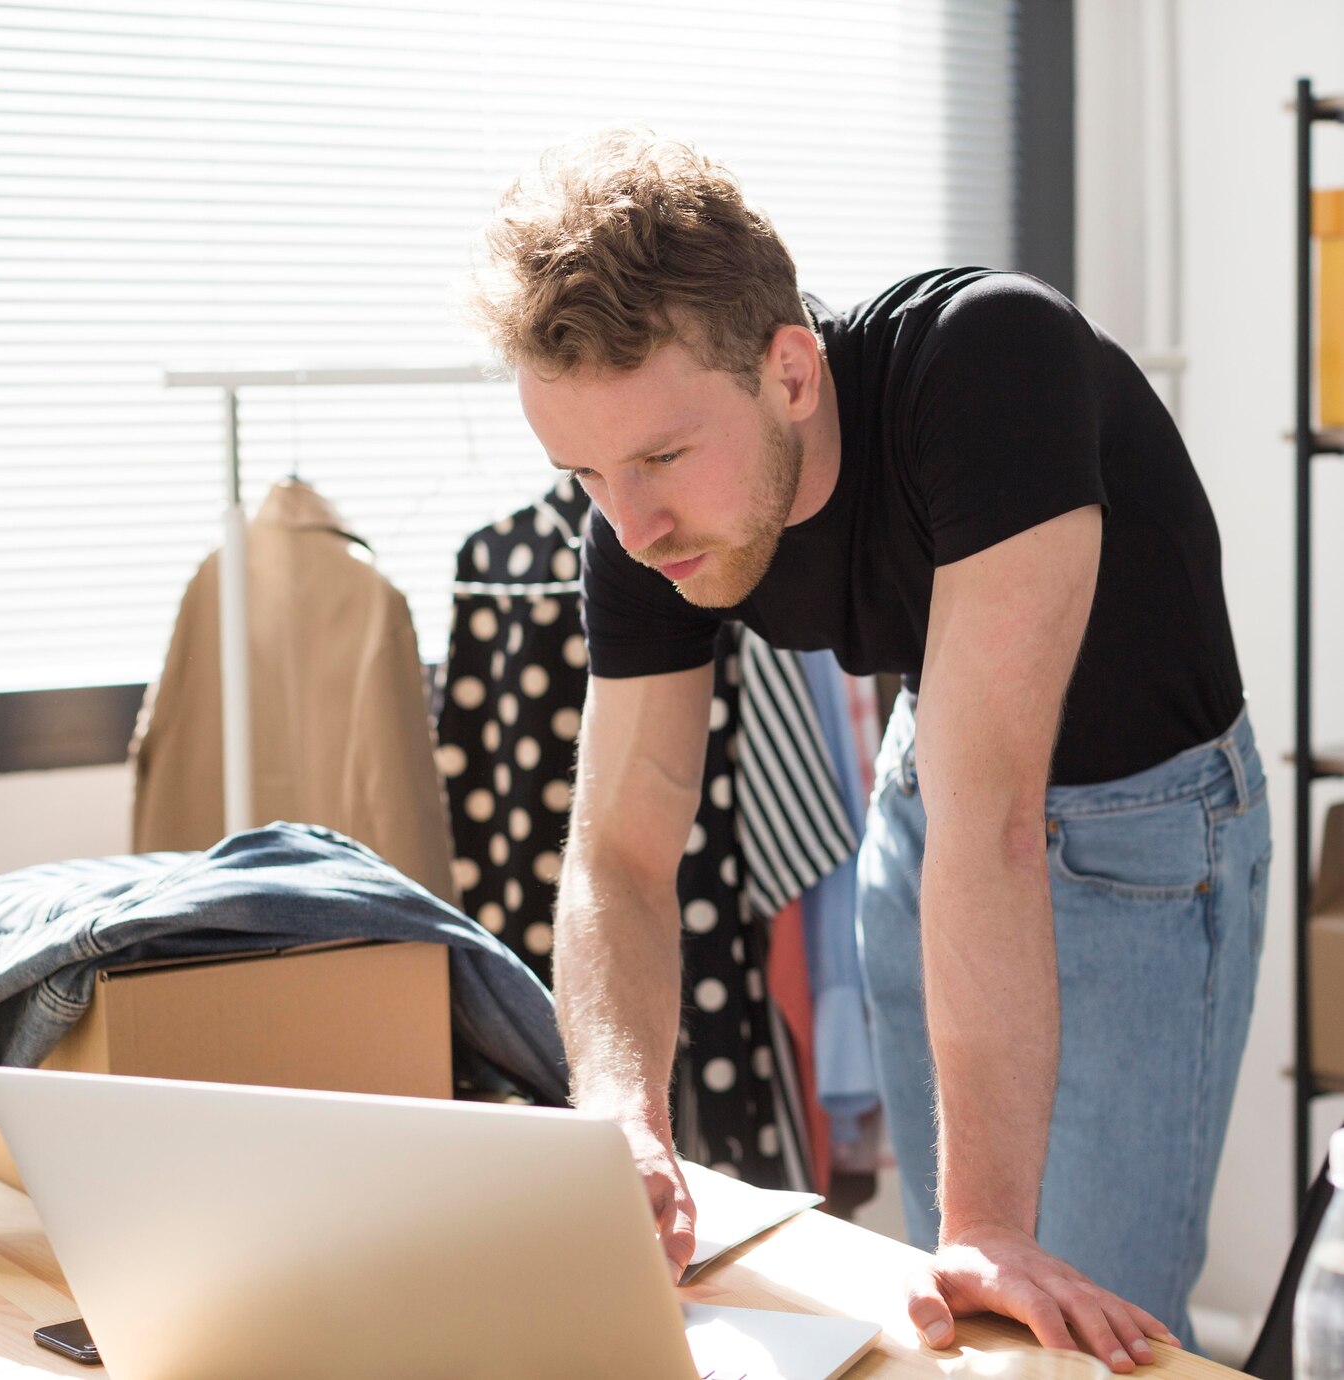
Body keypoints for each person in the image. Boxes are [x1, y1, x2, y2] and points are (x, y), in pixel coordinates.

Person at [467, 130, 1271, 1371]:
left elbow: (996, 816)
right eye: (583, 472)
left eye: (663, 457)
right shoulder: (634, 523)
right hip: (933, 805)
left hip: (1138, 826)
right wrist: (619, 1120)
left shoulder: (989, 362)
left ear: (790, 372)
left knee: (1085, 1335)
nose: (629, 523)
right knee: (961, 1322)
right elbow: (619, 849)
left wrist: (991, 1219)